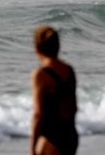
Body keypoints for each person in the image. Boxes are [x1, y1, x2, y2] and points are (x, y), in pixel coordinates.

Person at [30, 26, 78, 155]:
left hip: (51, 138)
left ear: (37, 49)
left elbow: (38, 114)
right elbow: (73, 107)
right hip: (70, 136)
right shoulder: (69, 70)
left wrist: (32, 147)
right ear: (58, 47)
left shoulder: (40, 74)